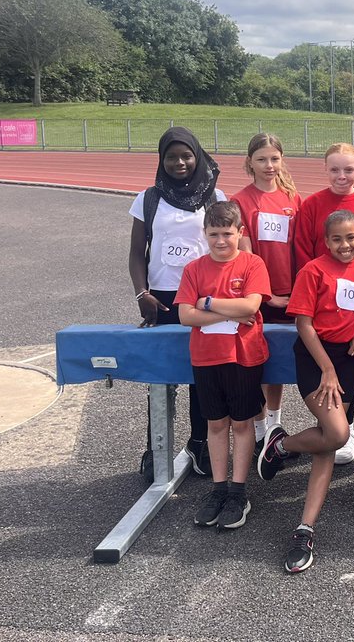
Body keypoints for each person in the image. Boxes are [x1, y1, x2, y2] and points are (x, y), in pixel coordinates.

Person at [258, 209, 354, 573]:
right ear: (325, 241)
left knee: (328, 443)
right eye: (336, 239)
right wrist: (327, 369)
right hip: (316, 358)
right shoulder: (313, 270)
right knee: (337, 433)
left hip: (348, 358)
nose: (344, 245)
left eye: (351, 237)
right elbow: (304, 324)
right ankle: (282, 445)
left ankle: (305, 528)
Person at [126, 127, 225, 482]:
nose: (179, 162)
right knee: (162, 374)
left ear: (198, 156)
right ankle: (156, 448)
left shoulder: (215, 197)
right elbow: (136, 253)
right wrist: (142, 293)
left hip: (203, 296)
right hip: (163, 298)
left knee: (204, 373)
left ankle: (200, 443)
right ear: (161, 160)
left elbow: (226, 246)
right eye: (171, 157)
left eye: (186, 156)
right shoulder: (148, 199)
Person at [174, 201, 270, 531]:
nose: (220, 241)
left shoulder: (252, 263)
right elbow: (186, 315)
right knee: (215, 424)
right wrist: (229, 311)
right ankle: (218, 489)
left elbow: (251, 305)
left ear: (239, 233)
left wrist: (209, 303)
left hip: (243, 357)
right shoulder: (194, 269)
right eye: (213, 234)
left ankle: (238, 492)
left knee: (242, 424)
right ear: (204, 233)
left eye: (227, 234)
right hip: (206, 357)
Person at [292, 143, 354, 464]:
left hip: (352, 314)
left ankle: (346, 429)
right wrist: (316, 290)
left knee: (349, 371)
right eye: (334, 169)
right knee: (329, 413)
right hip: (319, 299)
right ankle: (328, 431)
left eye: (348, 169)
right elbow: (302, 249)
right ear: (325, 170)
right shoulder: (312, 204)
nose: (342, 176)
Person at [232, 133, 300, 455]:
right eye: (261, 159)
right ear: (250, 162)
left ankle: (274, 424)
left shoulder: (292, 199)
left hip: (288, 293)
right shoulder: (240, 201)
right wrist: (264, 295)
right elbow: (245, 256)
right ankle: (260, 430)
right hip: (258, 296)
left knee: (279, 363)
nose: (269, 165)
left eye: (274, 158)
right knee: (256, 363)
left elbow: (299, 247)